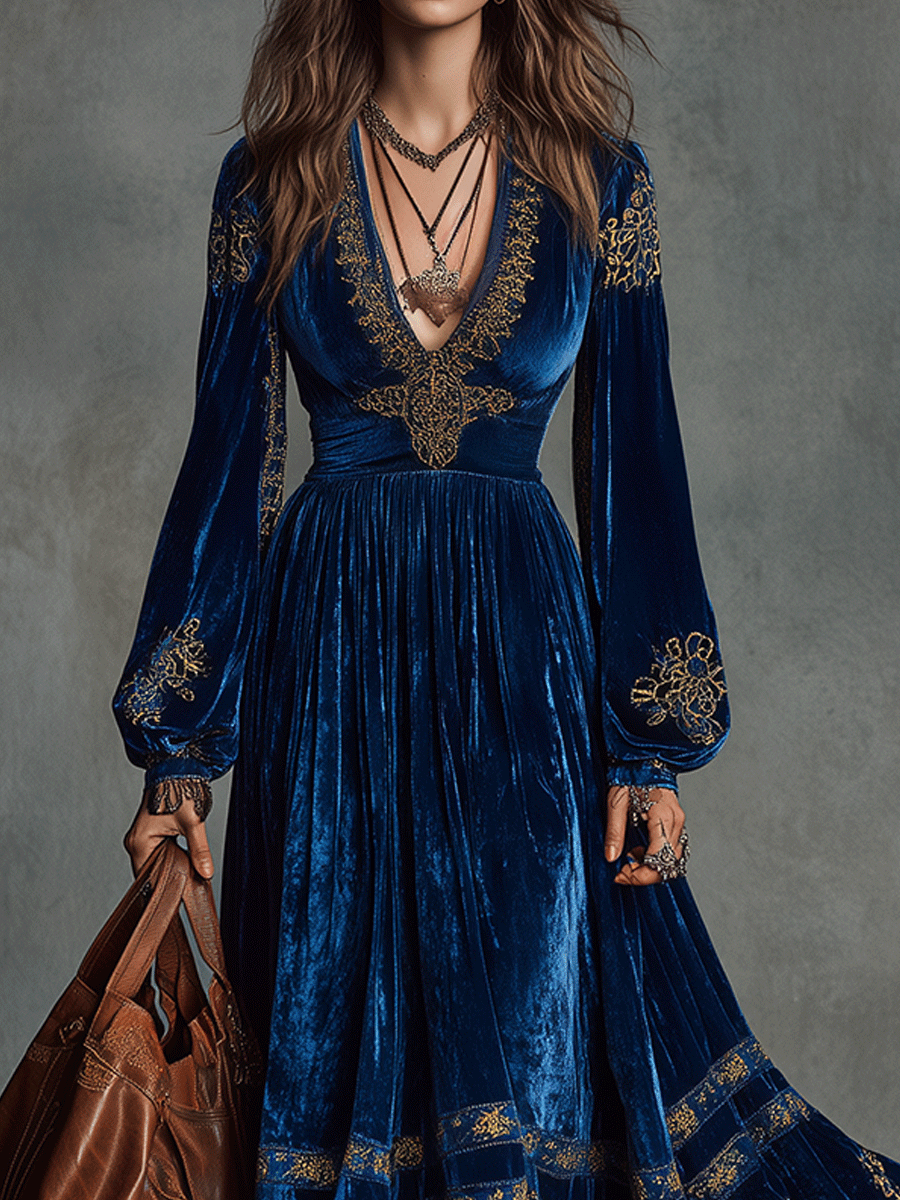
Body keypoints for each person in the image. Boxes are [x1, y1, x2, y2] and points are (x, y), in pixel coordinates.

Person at [114, 1, 899, 1196]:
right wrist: (177, 757)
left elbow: (639, 464)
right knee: (323, 1053)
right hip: (329, 676)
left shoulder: (604, 182)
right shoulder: (266, 181)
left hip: (526, 672)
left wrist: (649, 750)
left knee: (536, 1061)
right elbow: (225, 468)